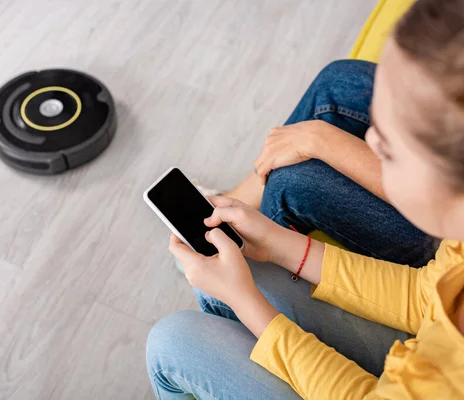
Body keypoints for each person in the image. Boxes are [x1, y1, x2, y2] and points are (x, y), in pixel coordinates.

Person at [146, 0, 464, 398]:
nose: (371, 141)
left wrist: (247, 304)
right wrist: (277, 243)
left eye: (390, 147)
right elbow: (424, 296)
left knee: (171, 342)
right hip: (426, 347)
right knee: (227, 268)